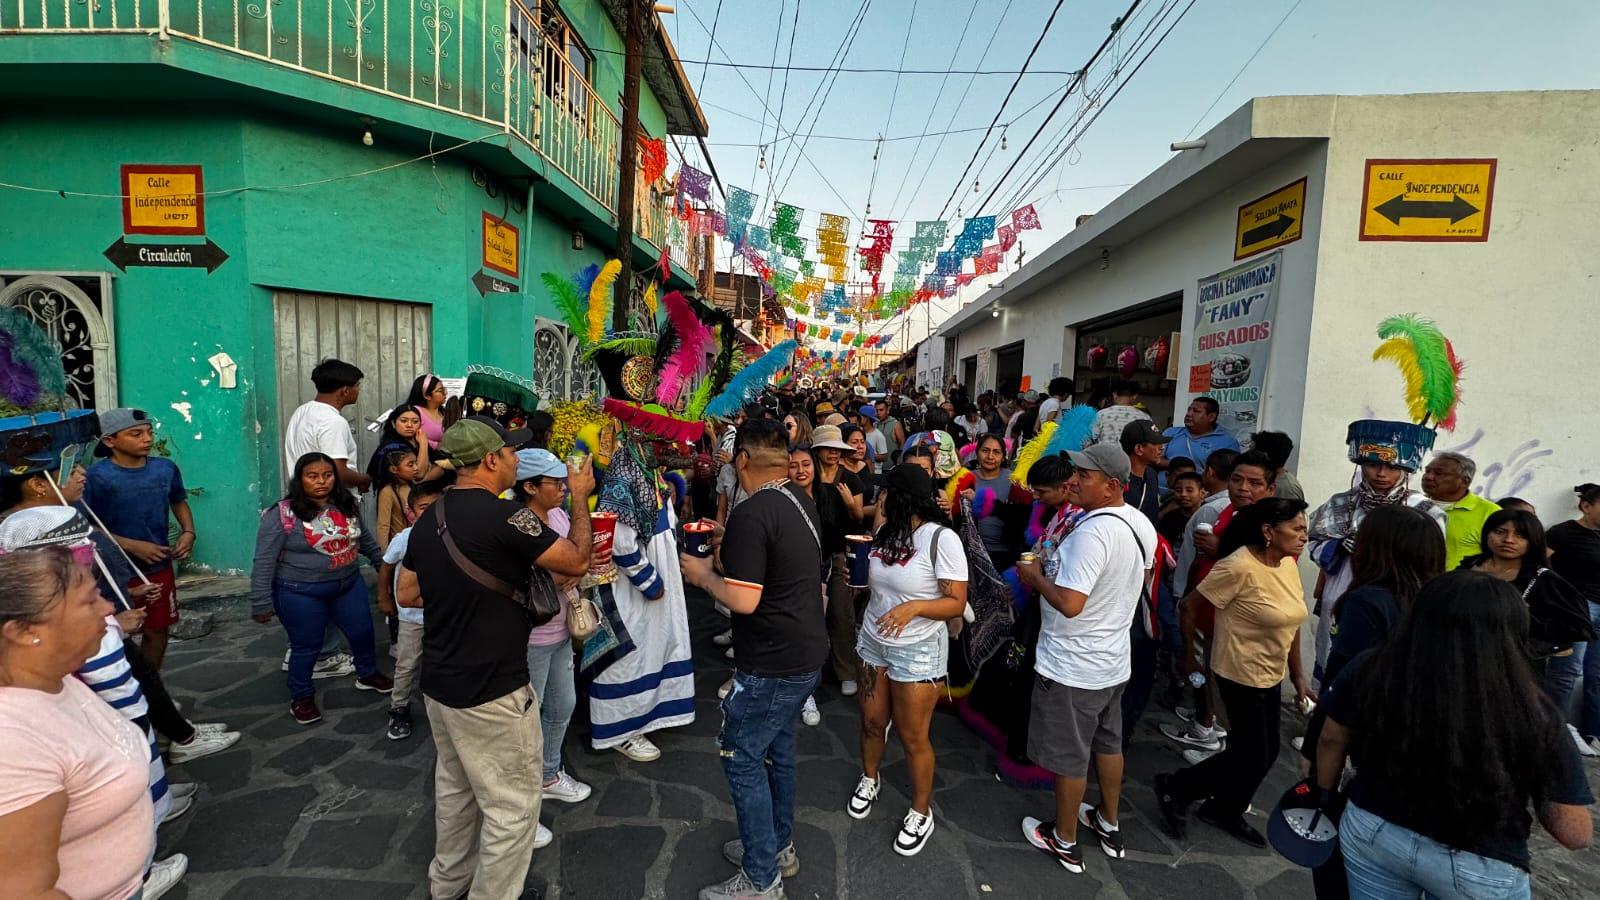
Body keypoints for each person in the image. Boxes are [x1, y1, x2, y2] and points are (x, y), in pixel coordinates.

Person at [399, 416, 594, 898]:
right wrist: (580, 498)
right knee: (511, 812)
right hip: (494, 689)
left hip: (441, 685)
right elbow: (576, 561)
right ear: (489, 460)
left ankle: (447, 888)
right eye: (509, 453)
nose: (514, 459)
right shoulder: (509, 517)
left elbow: (407, 591)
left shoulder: (434, 515)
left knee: (456, 796)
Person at [1313, 572, 1593, 896]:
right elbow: (1574, 832)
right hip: (1478, 857)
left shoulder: (1373, 667)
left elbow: (1331, 737)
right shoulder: (1532, 710)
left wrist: (1325, 795)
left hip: (1373, 828)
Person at [680, 418, 829, 900]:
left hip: (771, 661)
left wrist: (701, 575)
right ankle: (775, 846)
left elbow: (742, 601)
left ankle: (761, 878)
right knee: (778, 750)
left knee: (742, 758)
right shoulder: (797, 500)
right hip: (803, 654)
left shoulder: (753, 513)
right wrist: (732, 542)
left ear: (741, 459)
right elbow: (772, 567)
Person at [1013, 444, 1155, 875]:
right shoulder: (1139, 522)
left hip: (1074, 665)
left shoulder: (1093, 532)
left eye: (1085, 476)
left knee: (1072, 756)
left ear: (1112, 485)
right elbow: (1138, 579)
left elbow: (1072, 604)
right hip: (1112, 661)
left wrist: (1035, 577)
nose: (1073, 480)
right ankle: (1108, 822)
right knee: (1108, 744)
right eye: (1074, 472)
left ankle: (1065, 839)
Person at [1297, 504, 1444, 900]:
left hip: (1370, 743)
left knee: (1332, 859)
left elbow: (1344, 682)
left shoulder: (1368, 601)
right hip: (1420, 746)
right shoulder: (1436, 599)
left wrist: (1316, 756)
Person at [0, 546, 158, 900]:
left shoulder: (53, 679)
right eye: (90, 601)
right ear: (24, 631)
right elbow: (23, 891)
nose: (108, 608)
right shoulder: (11, 742)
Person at [1156, 498, 1312, 847]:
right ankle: (1177, 787)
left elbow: (1295, 619)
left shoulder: (1287, 564)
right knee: (1252, 753)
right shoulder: (1237, 566)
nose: (1305, 535)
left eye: (1305, 527)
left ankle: (1223, 807)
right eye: (1297, 528)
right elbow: (1190, 605)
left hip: (1271, 673)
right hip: (1237, 673)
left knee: (1264, 752)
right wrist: (1188, 657)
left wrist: (1298, 675)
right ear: (1269, 532)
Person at [848, 463, 969, 856]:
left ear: (898, 496)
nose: (879, 498)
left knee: (912, 736)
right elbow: (882, 584)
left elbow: (956, 602)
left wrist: (913, 607)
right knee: (871, 722)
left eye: (885, 493)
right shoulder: (887, 532)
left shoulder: (941, 540)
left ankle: (921, 810)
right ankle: (870, 778)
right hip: (873, 642)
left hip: (917, 651)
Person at [251, 452, 393, 724]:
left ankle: (367, 673)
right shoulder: (282, 513)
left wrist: (383, 568)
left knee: (363, 631)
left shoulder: (345, 504)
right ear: (300, 479)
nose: (321, 482)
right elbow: (264, 559)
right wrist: (260, 601)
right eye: (312, 476)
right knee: (307, 646)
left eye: (327, 475)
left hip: (347, 584)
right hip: (299, 591)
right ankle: (301, 697)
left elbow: (365, 541)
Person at [1307, 420, 1444, 689]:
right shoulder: (1339, 503)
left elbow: (1432, 558)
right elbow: (1313, 541)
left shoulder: (1426, 510)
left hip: (1400, 592)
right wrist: (1337, 547)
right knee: (1337, 653)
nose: (1381, 473)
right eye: (1373, 465)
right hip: (1343, 585)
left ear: (1406, 468)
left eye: (1392, 466)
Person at [82, 408, 195, 671]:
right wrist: (131, 545)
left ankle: (151, 690)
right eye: (136, 434)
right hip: (112, 572)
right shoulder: (96, 478)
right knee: (116, 631)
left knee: (157, 630)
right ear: (110, 441)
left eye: (149, 432)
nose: (147, 439)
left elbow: (178, 501)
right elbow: (87, 527)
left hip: (158, 568)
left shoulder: (165, 469)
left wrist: (188, 532)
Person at [513, 449, 593, 805]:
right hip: (532, 637)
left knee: (562, 705)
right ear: (528, 487)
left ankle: (547, 775)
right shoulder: (521, 523)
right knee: (527, 717)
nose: (563, 486)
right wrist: (570, 568)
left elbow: (579, 558)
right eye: (555, 482)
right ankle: (522, 788)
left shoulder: (559, 514)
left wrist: (580, 566)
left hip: (561, 630)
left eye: (565, 480)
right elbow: (531, 576)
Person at [376, 478, 445, 741]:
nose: (429, 513)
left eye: (435, 507)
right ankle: (399, 708)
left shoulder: (450, 536)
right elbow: (386, 567)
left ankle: (442, 708)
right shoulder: (405, 538)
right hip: (412, 617)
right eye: (423, 508)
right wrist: (384, 598)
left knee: (439, 662)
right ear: (410, 512)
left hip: (442, 614)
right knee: (407, 663)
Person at [811, 425, 866, 699]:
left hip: (840, 554)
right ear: (817, 450)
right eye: (827, 447)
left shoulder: (851, 480)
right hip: (811, 553)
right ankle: (808, 672)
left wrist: (849, 503)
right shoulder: (807, 476)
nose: (833, 452)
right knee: (810, 614)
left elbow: (858, 519)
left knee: (842, 614)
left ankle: (846, 672)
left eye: (837, 448)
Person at [1547, 483, 1600, 754]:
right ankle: (1559, 729)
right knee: (1567, 671)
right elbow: (1540, 564)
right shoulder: (1564, 533)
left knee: (1597, 675)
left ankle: (1595, 734)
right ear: (1586, 506)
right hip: (1576, 608)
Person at [285, 358, 371, 494]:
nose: (359, 390)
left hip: (305, 498)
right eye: (357, 385)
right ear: (345, 391)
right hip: (330, 505)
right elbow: (339, 472)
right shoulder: (332, 421)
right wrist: (364, 479)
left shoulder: (302, 411)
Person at [1421, 451, 1500, 570]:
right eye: (1427, 471)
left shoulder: (1489, 512)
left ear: (1465, 481)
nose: (1429, 477)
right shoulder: (1414, 503)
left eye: (1439, 473)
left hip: (1457, 584)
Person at [971, 434, 1034, 572]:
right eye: (985, 450)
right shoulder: (966, 479)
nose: (990, 457)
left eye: (996, 452)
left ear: (1004, 456)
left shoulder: (1015, 481)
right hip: (973, 554)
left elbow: (1024, 517)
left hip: (1007, 554)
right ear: (977, 453)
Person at [1160, 397, 1241, 475]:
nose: (1189, 414)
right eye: (1189, 410)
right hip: (1161, 488)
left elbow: (1222, 474)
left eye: (1196, 411)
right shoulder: (1171, 432)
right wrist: (1177, 465)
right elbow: (1153, 459)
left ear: (1211, 417)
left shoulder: (1227, 443)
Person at [365, 403, 435, 487]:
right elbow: (418, 474)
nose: (409, 425)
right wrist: (424, 445)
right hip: (396, 495)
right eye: (404, 421)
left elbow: (440, 465)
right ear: (393, 423)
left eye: (415, 421)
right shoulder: (392, 447)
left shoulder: (418, 440)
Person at [1120, 420, 1169, 523]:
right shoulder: (1118, 480)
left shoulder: (1151, 474)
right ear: (1138, 449)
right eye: (1156, 443)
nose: (1162, 447)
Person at [373, 445, 421, 550]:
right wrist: (384, 555)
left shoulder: (415, 487)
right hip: (399, 548)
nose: (416, 468)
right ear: (394, 469)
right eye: (410, 465)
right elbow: (383, 526)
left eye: (416, 464)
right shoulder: (388, 492)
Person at [1089, 381, 1150, 447]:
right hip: (1131, 457)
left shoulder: (1101, 415)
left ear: (1114, 395)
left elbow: (1090, 439)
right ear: (1135, 396)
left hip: (1105, 456)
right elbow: (1150, 442)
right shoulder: (1145, 417)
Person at [1248, 431, 1303, 502]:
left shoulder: (1287, 490)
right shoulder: (1265, 478)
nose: (1248, 455)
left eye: (1252, 451)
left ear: (1265, 455)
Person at [405, 373, 451, 448]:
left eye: (444, 389)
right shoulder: (415, 412)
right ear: (427, 396)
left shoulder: (444, 413)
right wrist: (436, 446)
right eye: (440, 391)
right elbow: (410, 438)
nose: (445, 393)